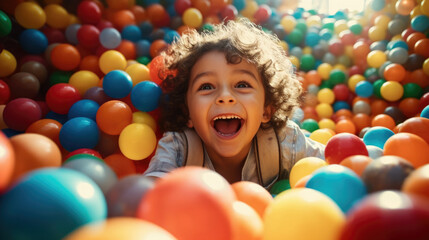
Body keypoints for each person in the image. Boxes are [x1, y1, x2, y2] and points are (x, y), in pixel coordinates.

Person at [143, 19, 325, 189]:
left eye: (242, 85)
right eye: (206, 86)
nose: (225, 97)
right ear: (188, 111)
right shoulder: (180, 147)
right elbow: (149, 192)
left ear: (266, 109)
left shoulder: (284, 141)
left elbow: (336, 165)